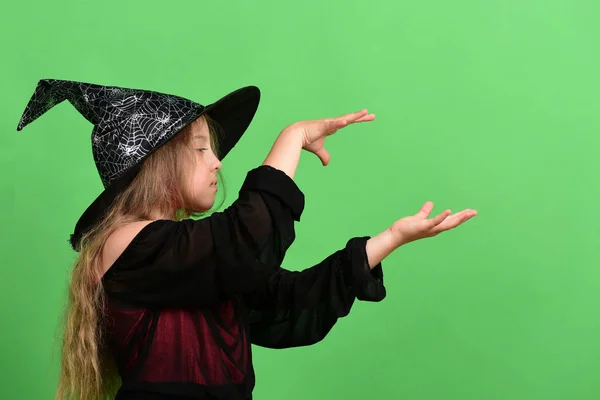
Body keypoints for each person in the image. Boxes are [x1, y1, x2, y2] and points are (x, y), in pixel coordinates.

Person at [16, 79, 477, 400]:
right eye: (201, 149)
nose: (217, 162)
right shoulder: (123, 246)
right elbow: (242, 240)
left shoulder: (194, 261)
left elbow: (289, 301)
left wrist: (390, 239)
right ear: (156, 165)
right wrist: (291, 137)